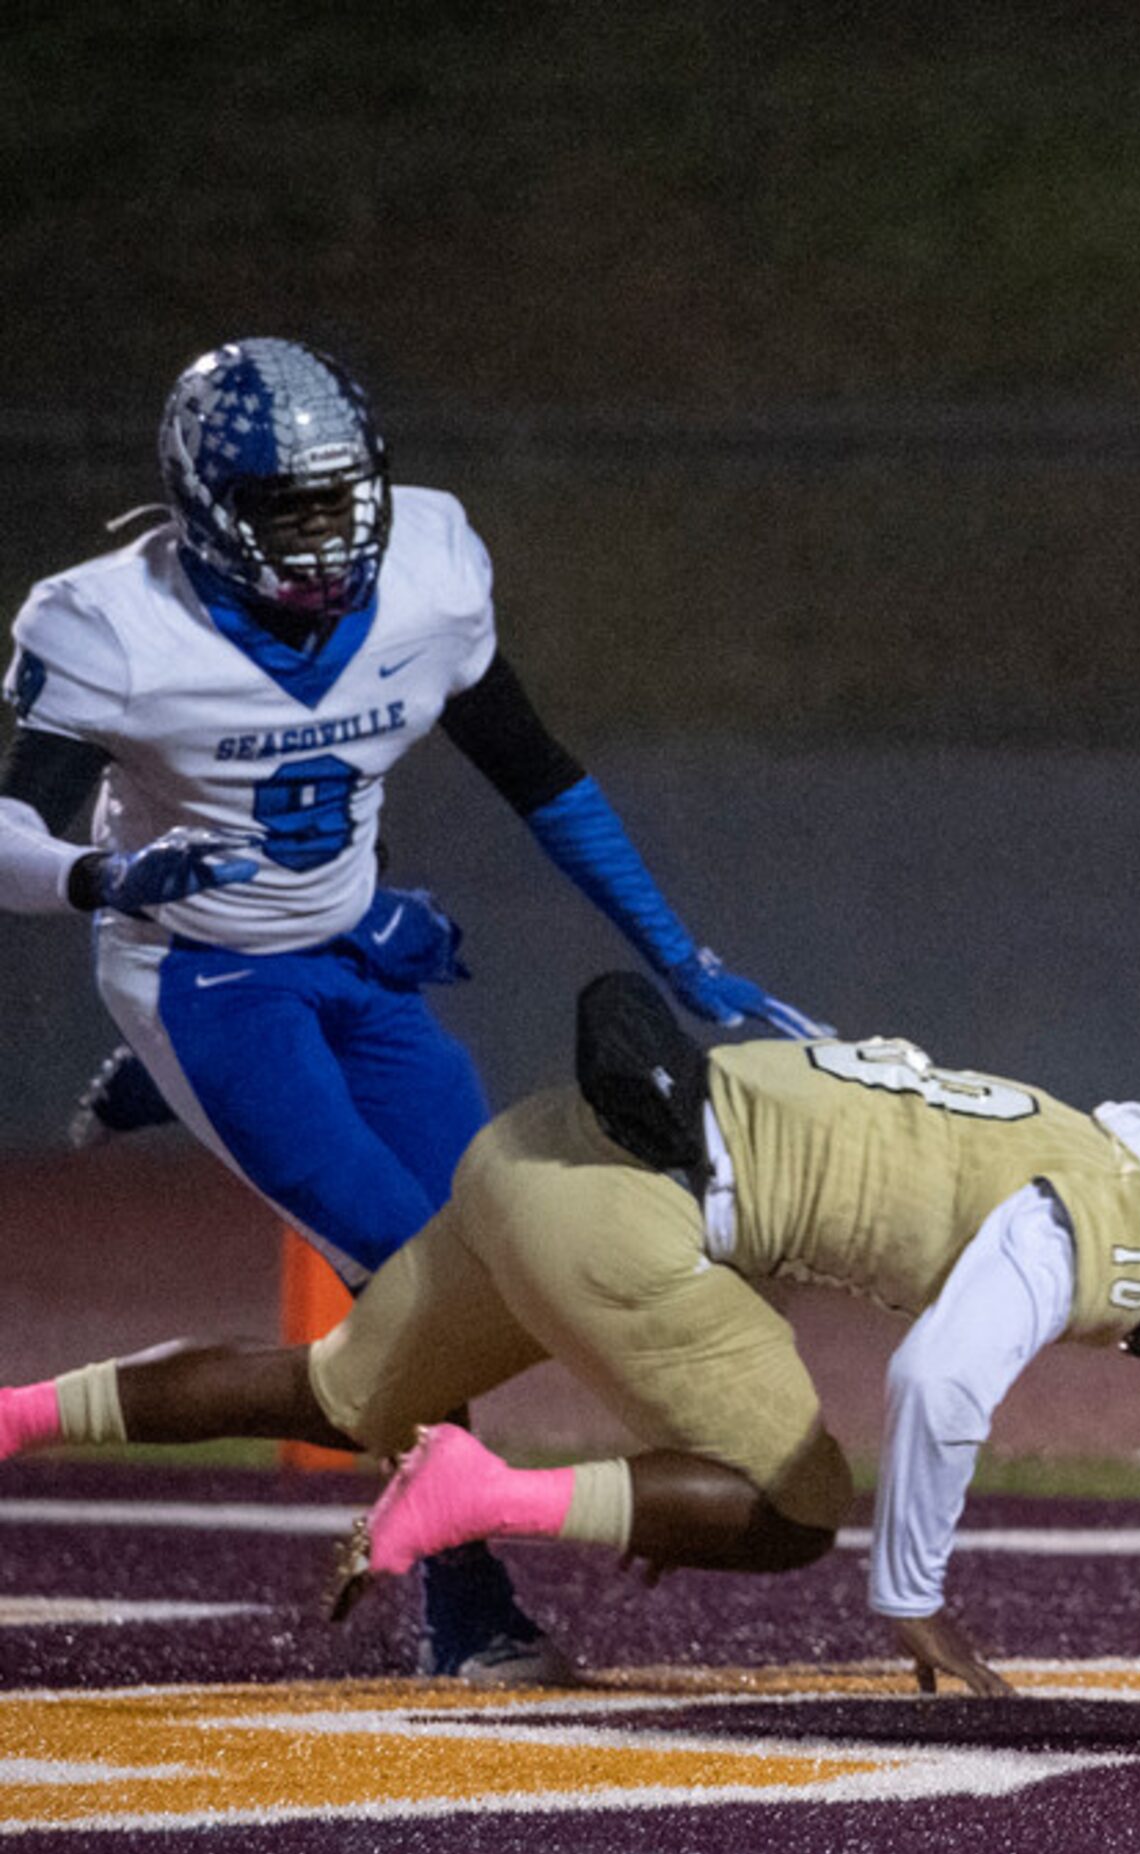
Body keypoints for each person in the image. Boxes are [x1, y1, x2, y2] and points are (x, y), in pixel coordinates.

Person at [0, 337, 823, 1681]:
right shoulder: (110, 622)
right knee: (407, 1266)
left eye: (344, 497)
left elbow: (540, 775)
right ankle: (464, 1592)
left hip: (355, 954)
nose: (328, 537)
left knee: (502, 1232)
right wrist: (99, 872)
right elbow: (6, 829)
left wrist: (679, 950)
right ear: (208, 507)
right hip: (199, 972)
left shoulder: (429, 574)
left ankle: (178, 1096)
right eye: (289, 508)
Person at [0, 973, 1140, 1695]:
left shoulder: (1058, 1126)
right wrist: (916, 1599)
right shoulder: (1103, 1221)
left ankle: (13, 1415)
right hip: (628, 1208)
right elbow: (938, 1380)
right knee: (796, 1506)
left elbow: (832, 1196)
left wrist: (665, 1487)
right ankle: (484, 1489)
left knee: (332, 1387)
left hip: (533, 1150)